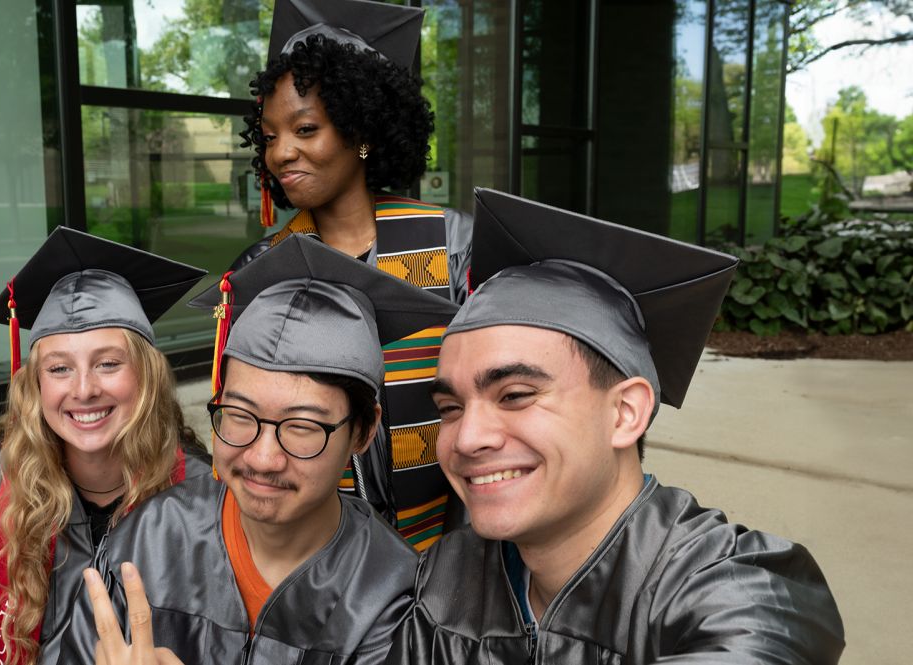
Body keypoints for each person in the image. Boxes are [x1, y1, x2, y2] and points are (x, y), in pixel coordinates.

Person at [387, 189, 846, 663]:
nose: (468, 438)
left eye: (516, 395)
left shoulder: (740, 590)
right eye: (450, 408)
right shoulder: (444, 581)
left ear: (626, 413)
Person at [63, 234, 460, 664]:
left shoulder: (392, 594)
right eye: (239, 415)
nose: (262, 458)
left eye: (302, 426)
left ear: (362, 433)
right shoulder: (150, 539)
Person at [0, 228, 211, 665]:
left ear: (147, 375)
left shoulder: (203, 495)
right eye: (59, 368)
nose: (84, 390)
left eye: (108, 364)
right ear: (36, 383)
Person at [231, 0, 471, 552]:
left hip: (450, 542)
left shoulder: (453, 246)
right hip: (319, 554)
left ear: (362, 133)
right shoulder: (264, 267)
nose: (281, 152)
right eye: (268, 136)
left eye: (305, 128)